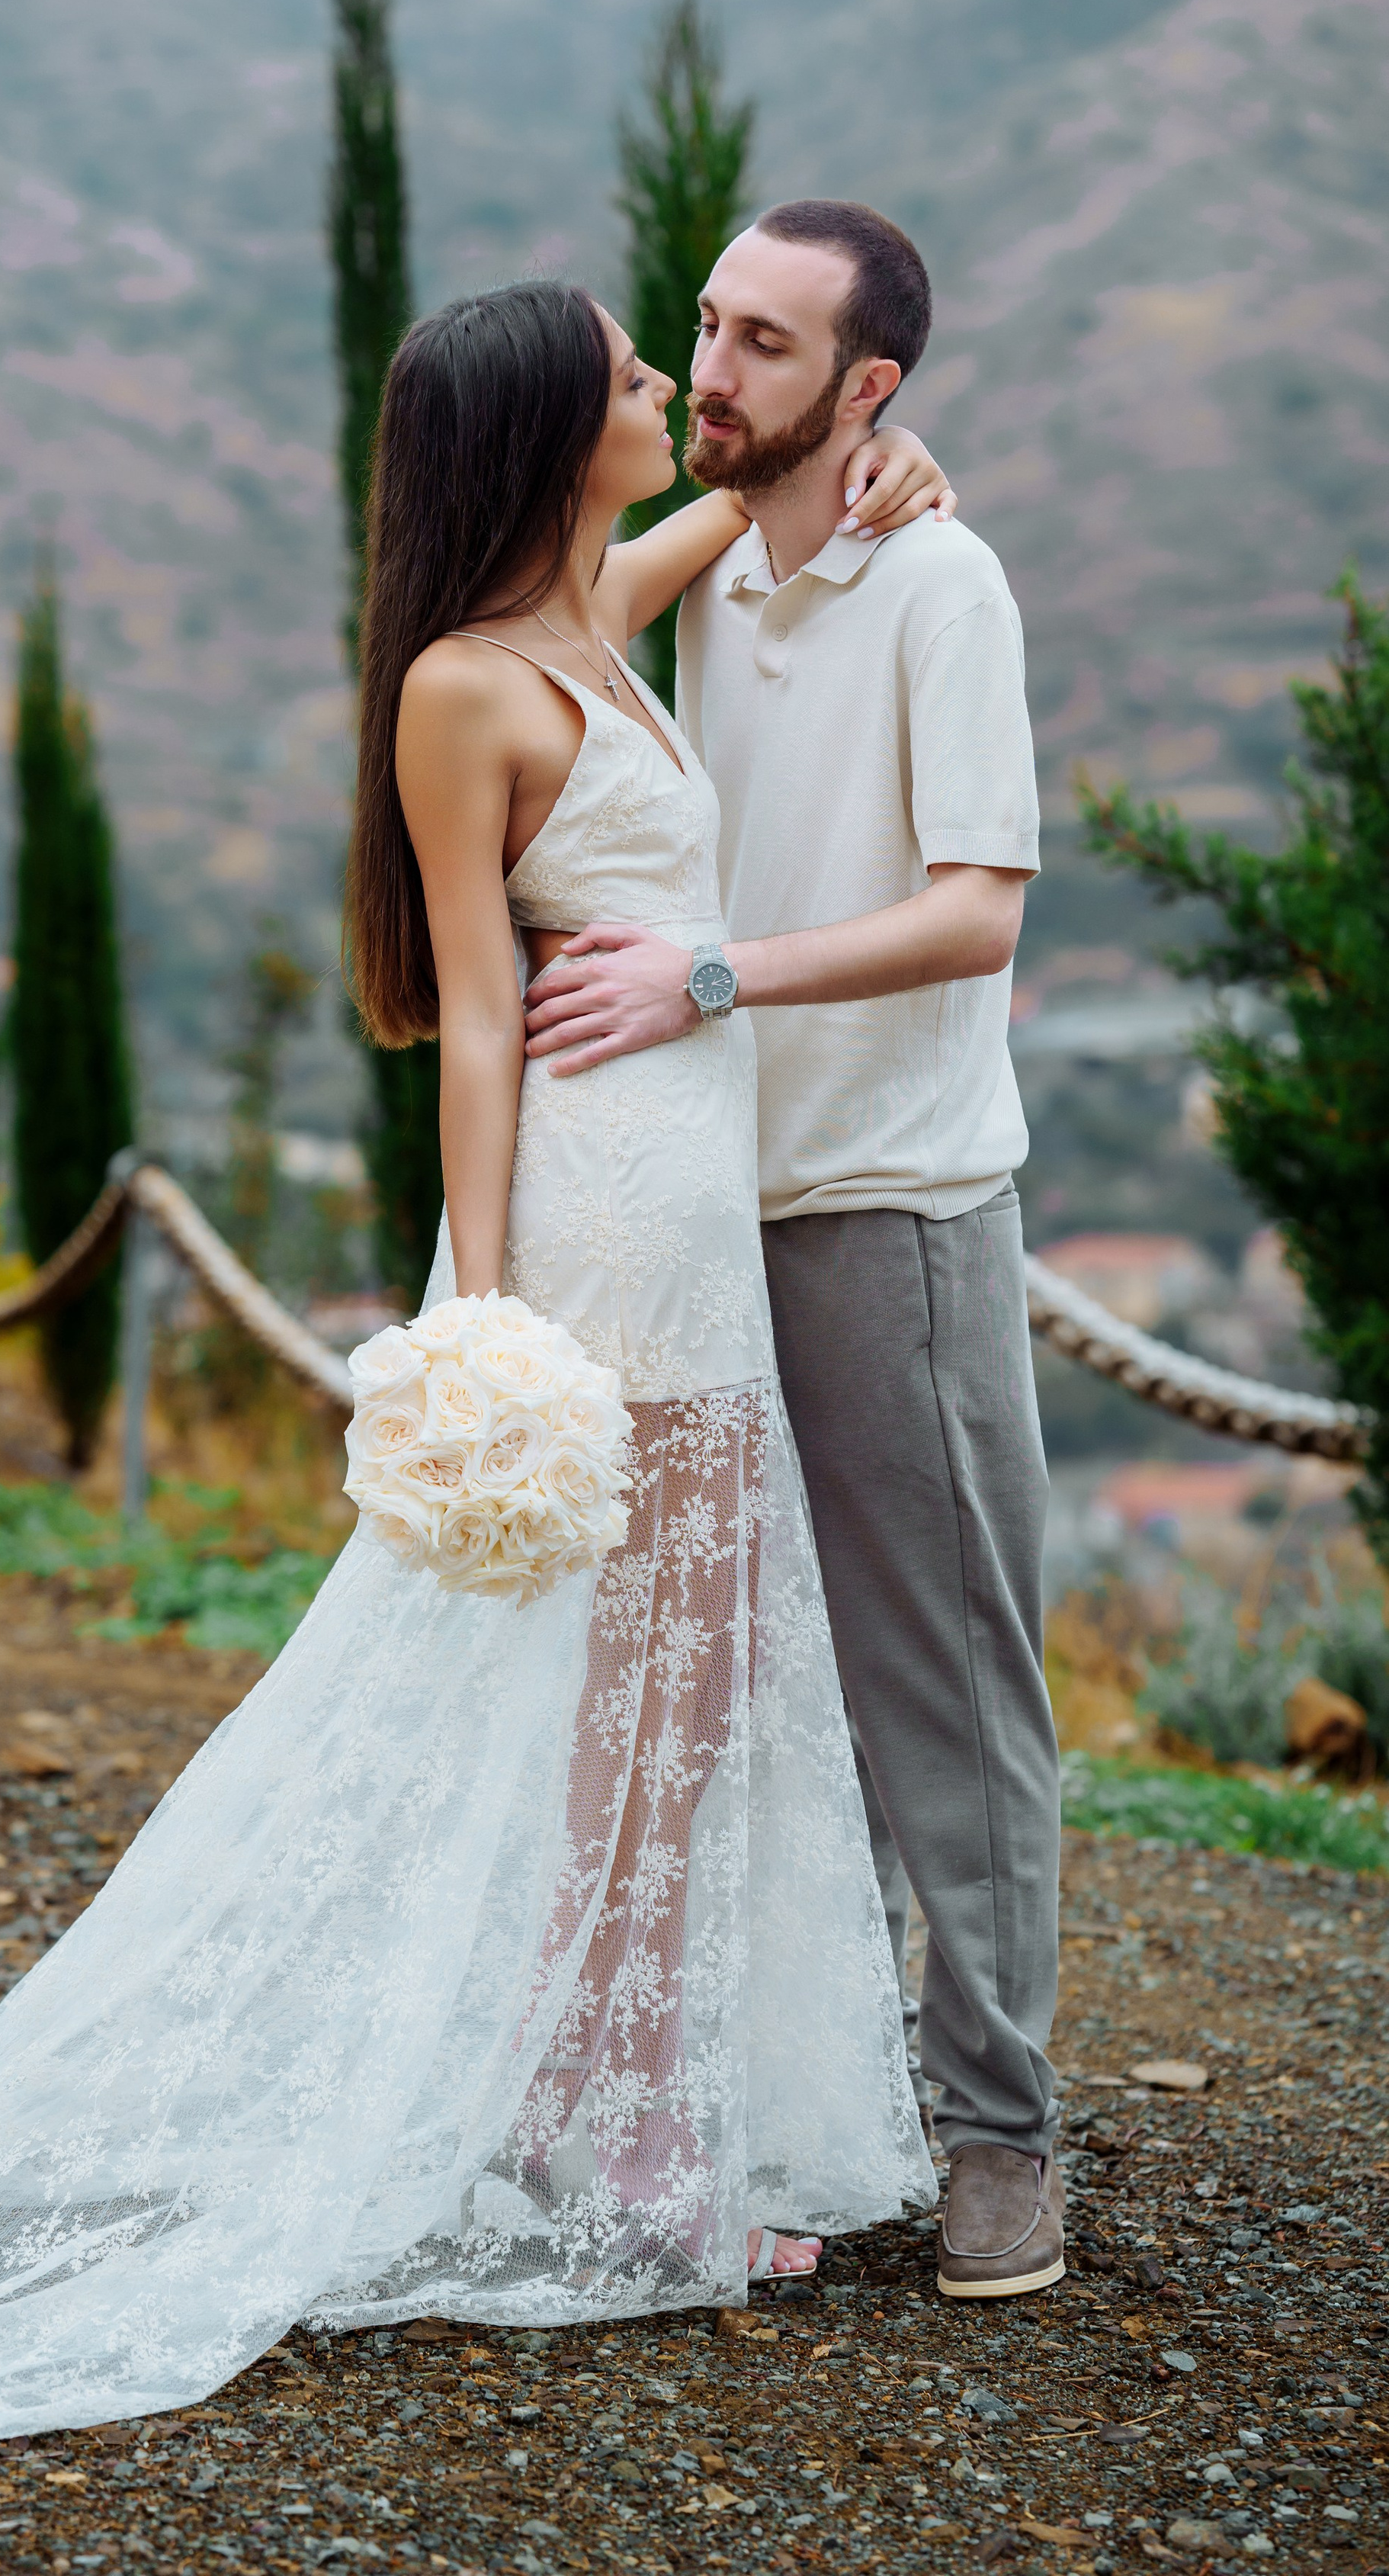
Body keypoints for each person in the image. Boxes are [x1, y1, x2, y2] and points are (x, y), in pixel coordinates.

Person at [0, 283, 946, 2472]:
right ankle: (607, 2124)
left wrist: (870, 472)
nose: (664, 395)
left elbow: (739, 503)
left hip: (704, 1218)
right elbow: (485, 1016)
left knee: (685, 1683)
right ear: (542, 434)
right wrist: (489, 1320)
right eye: (632, 373)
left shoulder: (597, 615)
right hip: (604, 1230)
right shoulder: (464, 690)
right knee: (597, 1690)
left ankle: (622, 2092)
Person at [521, 203, 1063, 2303]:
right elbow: (546, 630)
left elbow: (979, 912)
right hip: (709, 1219)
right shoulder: (717, 569)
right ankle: (797, 2111)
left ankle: (1005, 2143)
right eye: (705, 330)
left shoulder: (949, 582)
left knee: (950, 1691)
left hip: (889, 1209)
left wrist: (713, 978)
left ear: (874, 392)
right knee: (753, 1704)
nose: (714, 367)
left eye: (768, 345)